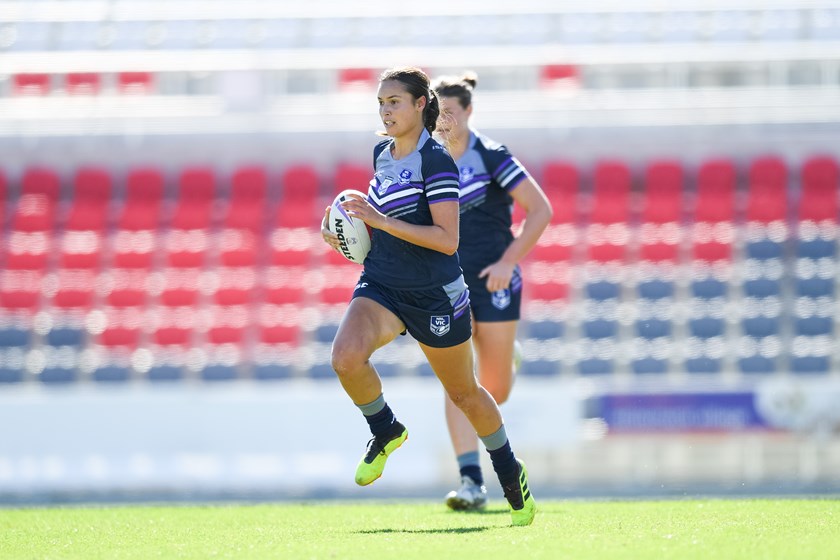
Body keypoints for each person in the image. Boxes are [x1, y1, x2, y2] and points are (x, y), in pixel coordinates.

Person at [320, 66, 536, 526]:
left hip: (435, 294)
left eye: (394, 101)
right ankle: (386, 429)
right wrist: (342, 233)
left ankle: (508, 472)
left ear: (421, 104)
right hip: (383, 284)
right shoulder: (381, 153)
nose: (385, 111)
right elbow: (375, 227)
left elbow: (446, 239)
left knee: (464, 394)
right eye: (381, 103)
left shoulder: (437, 160)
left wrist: (379, 221)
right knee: (345, 358)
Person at [432, 72, 553, 511]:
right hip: (448, 285)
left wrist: (507, 262)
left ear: (469, 111)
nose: (443, 121)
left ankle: (507, 358)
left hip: (494, 282)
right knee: (459, 384)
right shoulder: (425, 159)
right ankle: (471, 481)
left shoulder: (491, 155)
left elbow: (540, 210)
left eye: (450, 112)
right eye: (437, 113)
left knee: (494, 391)